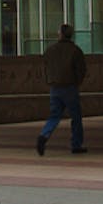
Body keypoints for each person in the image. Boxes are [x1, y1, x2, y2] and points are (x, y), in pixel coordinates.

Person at [37, 23, 88, 155]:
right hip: (70, 87)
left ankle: (44, 135)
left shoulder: (50, 50)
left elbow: (45, 68)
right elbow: (81, 70)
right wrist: (77, 82)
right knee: (75, 117)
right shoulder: (75, 50)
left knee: (54, 115)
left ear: (60, 34)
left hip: (55, 87)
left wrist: (49, 81)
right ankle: (76, 144)